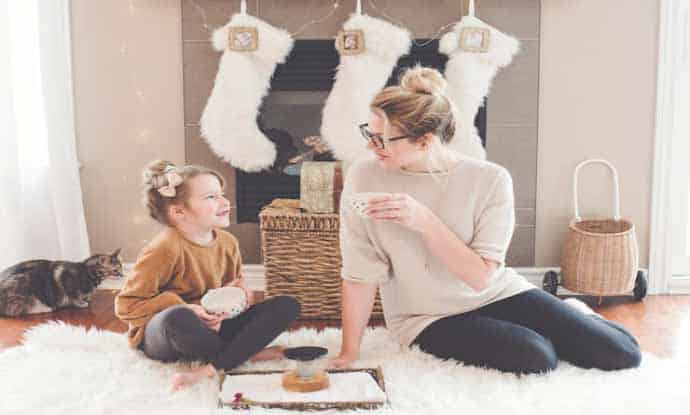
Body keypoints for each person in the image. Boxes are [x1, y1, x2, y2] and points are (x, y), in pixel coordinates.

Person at [331, 65, 641, 374]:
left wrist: (423, 220)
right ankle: (541, 330)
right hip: (426, 317)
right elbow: (360, 273)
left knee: (622, 354)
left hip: (495, 292)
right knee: (536, 356)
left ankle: (575, 315)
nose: (371, 147)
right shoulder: (364, 177)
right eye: (368, 134)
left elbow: (480, 278)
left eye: (382, 139)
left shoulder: (490, 180)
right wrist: (349, 352)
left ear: (424, 141)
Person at [115, 160, 300, 391]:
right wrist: (187, 307)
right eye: (211, 197)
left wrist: (238, 298)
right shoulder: (164, 249)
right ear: (179, 212)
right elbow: (127, 306)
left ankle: (215, 365)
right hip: (168, 335)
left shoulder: (227, 242)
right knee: (178, 317)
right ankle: (243, 352)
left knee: (287, 305)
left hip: (213, 328)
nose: (225, 202)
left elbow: (233, 291)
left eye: (222, 194)